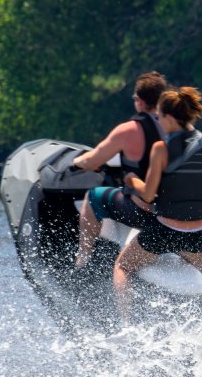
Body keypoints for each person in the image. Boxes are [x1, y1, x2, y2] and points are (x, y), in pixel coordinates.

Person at [112, 86, 202, 320]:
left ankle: (125, 323)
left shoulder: (161, 148)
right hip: (199, 233)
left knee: (123, 266)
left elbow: (148, 194)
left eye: (159, 118)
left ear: (169, 118)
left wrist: (131, 179)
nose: (158, 122)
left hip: (166, 231)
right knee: (199, 264)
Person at [72, 71, 168, 267]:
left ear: (139, 101)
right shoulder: (175, 127)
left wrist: (77, 161)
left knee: (93, 197)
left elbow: (92, 162)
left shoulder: (128, 130)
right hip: (172, 211)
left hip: (142, 212)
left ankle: (83, 258)